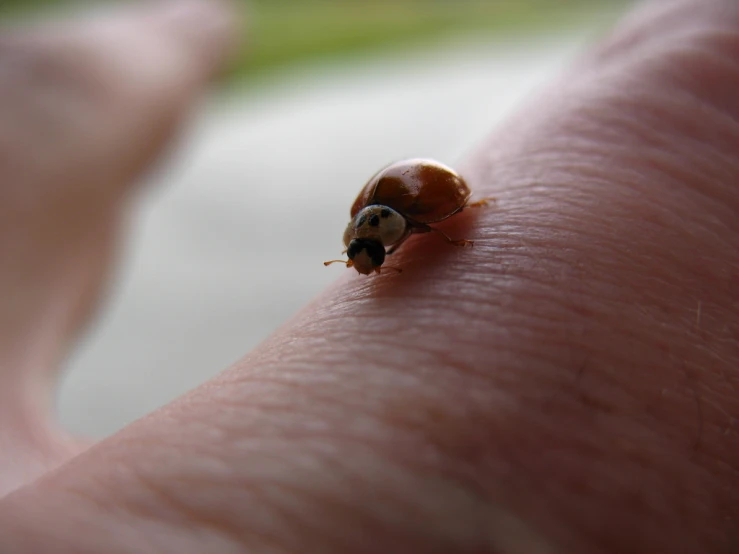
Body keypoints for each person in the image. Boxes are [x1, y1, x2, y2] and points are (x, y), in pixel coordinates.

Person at [0, 0, 736, 552]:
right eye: (367, 255)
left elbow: (432, 216)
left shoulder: (411, 219)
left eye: (369, 253)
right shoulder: (380, 224)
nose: (368, 263)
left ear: (380, 240)